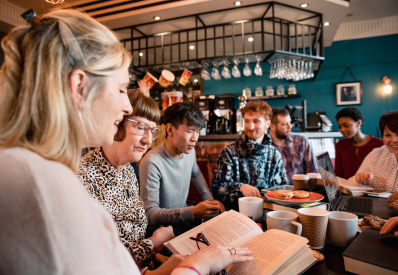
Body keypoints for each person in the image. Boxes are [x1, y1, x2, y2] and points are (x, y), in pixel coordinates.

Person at [0, 9, 252, 275]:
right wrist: (196, 267)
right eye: (120, 89)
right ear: (79, 87)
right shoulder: (43, 182)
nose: (124, 106)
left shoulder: (36, 167)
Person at [77, 90, 175, 270]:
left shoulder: (128, 171)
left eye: (152, 131)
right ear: (117, 123)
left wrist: (158, 258)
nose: (147, 141)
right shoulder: (83, 178)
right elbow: (97, 262)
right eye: (140, 128)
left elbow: (131, 238)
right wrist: (153, 244)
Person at [140, 102, 225, 235]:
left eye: (197, 132)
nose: (195, 138)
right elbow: (149, 214)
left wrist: (211, 201)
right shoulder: (152, 161)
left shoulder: (189, 152)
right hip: (162, 229)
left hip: (184, 220)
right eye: (190, 131)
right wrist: (193, 212)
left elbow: (196, 174)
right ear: (170, 130)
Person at [212, 101, 288, 211]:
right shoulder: (229, 151)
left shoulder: (274, 155)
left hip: (268, 213)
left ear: (267, 123)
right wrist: (241, 188)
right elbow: (217, 190)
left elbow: (282, 190)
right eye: (247, 121)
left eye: (256, 121)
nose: (250, 126)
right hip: (236, 214)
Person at [350, 111, 398, 192]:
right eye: (387, 135)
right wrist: (359, 180)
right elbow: (351, 183)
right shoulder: (376, 154)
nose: (394, 140)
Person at [269, 107, 318, 185]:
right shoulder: (264, 146)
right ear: (272, 126)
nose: (290, 127)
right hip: (273, 192)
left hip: (299, 191)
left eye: (290, 122)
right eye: (284, 124)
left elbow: (314, 172)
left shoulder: (302, 141)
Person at [335, 107, 384, 179]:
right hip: (346, 188)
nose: (342, 130)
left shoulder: (379, 144)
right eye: (339, 127)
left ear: (359, 123)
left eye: (346, 125)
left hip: (373, 188)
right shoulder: (340, 145)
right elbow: (338, 175)